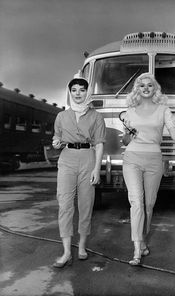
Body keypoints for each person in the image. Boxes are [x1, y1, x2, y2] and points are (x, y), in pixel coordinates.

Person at [122, 72, 175, 266]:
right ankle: (137, 250)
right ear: (137, 88)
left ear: (155, 88)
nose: (145, 88)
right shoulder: (130, 110)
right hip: (132, 158)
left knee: (149, 204)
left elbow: (173, 131)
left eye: (149, 85)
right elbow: (125, 140)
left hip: (154, 158)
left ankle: (143, 241)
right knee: (136, 202)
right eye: (141, 85)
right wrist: (127, 134)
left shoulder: (163, 109)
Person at [52, 77, 106, 268]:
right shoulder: (61, 116)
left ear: (87, 92)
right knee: (65, 204)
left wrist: (97, 169)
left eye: (82, 90)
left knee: (85, 204)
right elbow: (57, 138)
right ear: (69, 92)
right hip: (67, 159)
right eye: (74, 90)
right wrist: (56, 143)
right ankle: (66, 252)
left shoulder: (97, 116)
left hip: (88, 158)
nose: (77, 93)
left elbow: (99, 144)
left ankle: (82, 246)